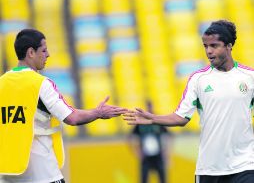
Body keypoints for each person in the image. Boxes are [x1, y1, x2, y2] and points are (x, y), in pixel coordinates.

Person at [124, 19, 254, 183]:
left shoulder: (249, 77)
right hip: (210, 168)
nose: (209, 51)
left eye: (214, 46)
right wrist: (153, 118)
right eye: (205, 46)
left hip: (245, 166)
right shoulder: (198, 79)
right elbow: (180, 118)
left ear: (228, 46)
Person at [0, 29, 127, 183]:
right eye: (44, 50)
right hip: (43, 174)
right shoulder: (40, 83)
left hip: (9, 174)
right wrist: (98, 112)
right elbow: (72, 118)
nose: (48, 55)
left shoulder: (2, 83)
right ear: (31, 52)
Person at [128, 101, 171, 183]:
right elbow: (130, 138)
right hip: (145, 156)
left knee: (163, 178)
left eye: (151, 107)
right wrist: (137, 152)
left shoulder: (158, 121)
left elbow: (168, 136)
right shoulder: (140, 122)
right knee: (144, 178)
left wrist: (167, 153)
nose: (150, 109)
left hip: (158, 155)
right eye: (148, 107)